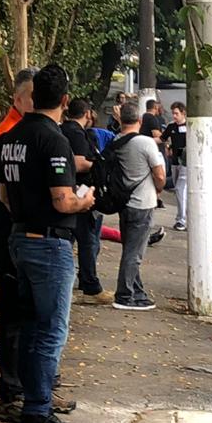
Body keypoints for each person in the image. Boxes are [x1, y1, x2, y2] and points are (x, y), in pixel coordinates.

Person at [0, 64, 95, 423]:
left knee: (35, 329)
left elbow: (5, 196)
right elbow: (63, 200)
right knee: (50, 332)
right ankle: (34, 417)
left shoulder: (12, 137)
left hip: (20, 238)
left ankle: (38, 411)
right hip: (49, 244)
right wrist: (84, 200)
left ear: (32, 97)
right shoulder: (53, 141)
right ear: (65, 100)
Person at [0, 67, 36, 418]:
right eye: (33, 96)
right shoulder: (7, 138)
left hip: (15, 235)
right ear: (17, 100)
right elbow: (6, 196)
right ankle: (11, 391)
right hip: (9, 236)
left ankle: (26, 387)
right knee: (15, 317)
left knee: (25, 315)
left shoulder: (18, 132)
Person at [112, 100, 166, 310]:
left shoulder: (117, 140)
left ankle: (138, 292)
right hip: (143, 203)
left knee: (130, 249)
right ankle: (124, 295)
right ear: (140, 120)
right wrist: (159, 188)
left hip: (124, 202)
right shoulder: (145, 142)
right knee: (134, 253)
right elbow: (159, 174)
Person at [60, 98, 109, 304]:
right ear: (87, 114)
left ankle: (79, 280)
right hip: (80, 193)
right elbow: (79, 163)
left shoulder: (65, 130)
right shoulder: (76, 133)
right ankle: (90, 285)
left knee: (72, 240)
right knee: (88, 241)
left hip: (71, 191)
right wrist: (97, 165)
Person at [166, 101, 188, 230]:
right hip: (175, 162)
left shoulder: (190, 126)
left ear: (183, 113)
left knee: (180, 189)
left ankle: (182, 220)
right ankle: (183, 217)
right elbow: (162, 138)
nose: (174, 116)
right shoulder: (171, 127)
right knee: (179, 190)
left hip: (186, 163)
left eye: (176, 113)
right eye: (173, 113)